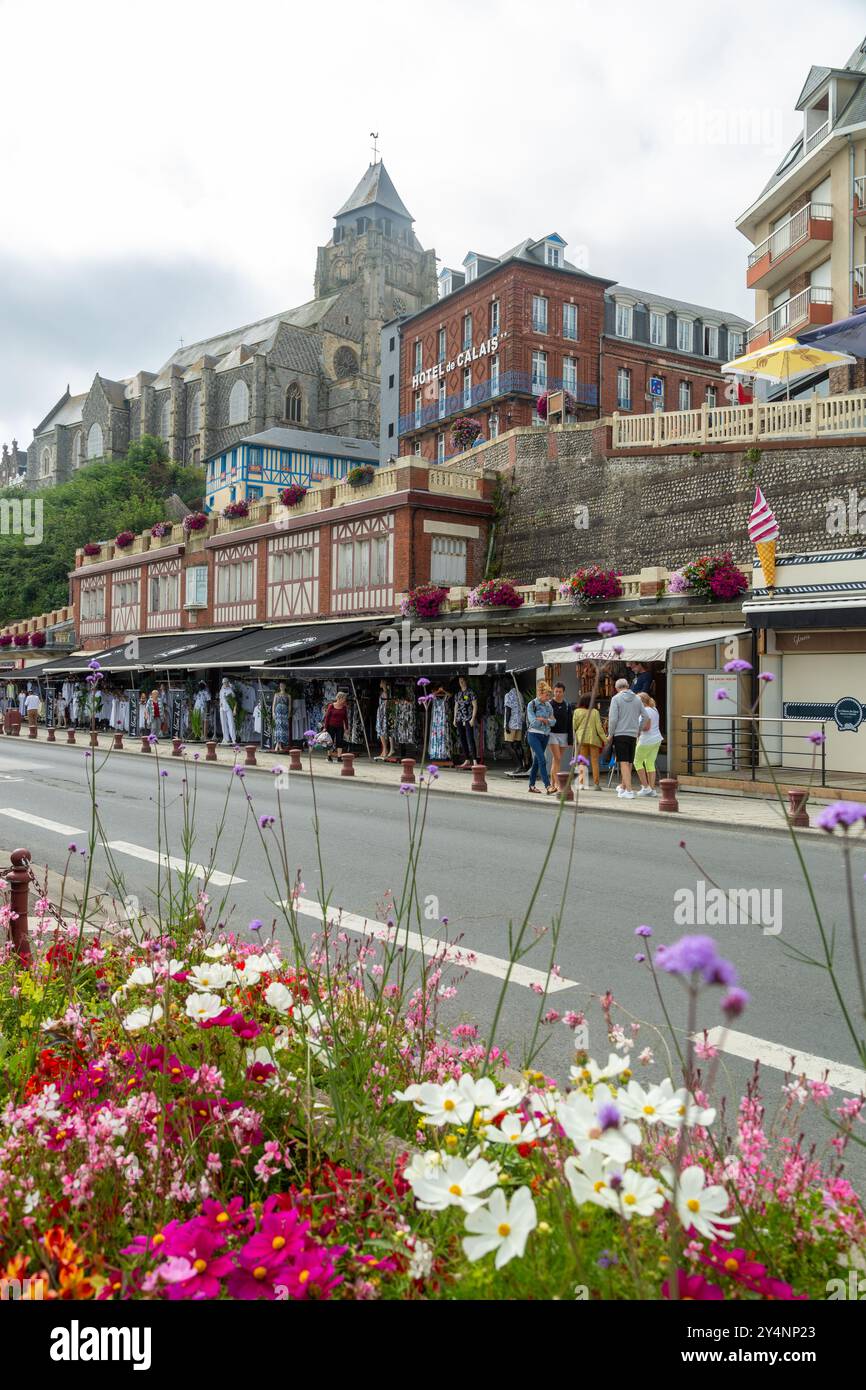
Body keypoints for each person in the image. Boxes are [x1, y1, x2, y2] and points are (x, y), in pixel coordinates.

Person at [607, 677, 644, 800]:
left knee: (623, 762)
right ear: (627, 686)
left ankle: (629, 790)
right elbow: (646, 716)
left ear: (617, 688)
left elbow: (613, 719)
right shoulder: (637, 699)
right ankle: (623, 787)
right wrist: (638, 729)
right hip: (633, 734)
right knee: (629, 762)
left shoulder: (616, 699)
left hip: (620, 733)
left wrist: (610, 733)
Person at [525, 681, 555, 794]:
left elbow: (553, 721)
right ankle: (548, 786)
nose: (548, 697)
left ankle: (531, 786)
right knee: (543, 760)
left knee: (537, 762)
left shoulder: (549, 705)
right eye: (546, 695)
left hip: (545, 736)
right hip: (533, 735)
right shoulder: (532, 704)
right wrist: (544, 721)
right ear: (540, 693)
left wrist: (544, 720)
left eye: (549, 695)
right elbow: (532, 722)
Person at [572, 694, 606, 790]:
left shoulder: (577, 711)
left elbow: (574, 726)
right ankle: (596, 784)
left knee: (582, 762)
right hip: (593, 739)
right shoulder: (595, 712)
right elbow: (599, 728)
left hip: (581, 739)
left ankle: (582, 784)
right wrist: (605, 739)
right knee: (595, 762)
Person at [634, 692, 663, 796]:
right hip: (657, 739)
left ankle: (645, 787)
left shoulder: (645, 711)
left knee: (637, 762)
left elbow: (646, 727)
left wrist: (636, 729)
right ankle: (651, 789)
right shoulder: (654, 709)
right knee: (650, 763)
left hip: (646, 740)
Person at [547, 681, 572, 783]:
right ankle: (557, 784)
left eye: (560, 692)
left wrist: (570, 739)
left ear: (563, 693)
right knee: (557, 758)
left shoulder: (567, 705)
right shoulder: (549, 704)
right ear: (553, 692)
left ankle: (553, 783)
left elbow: (570, 722)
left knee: (557, 759)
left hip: (564, 735)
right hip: (552, 734)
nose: (558, 693)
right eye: (556, 691)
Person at [453, 675, 478, 770]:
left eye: (463, 680)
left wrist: (473, 718)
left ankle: (475, 760)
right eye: (460, 681)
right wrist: (454, 719)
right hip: (459, 718)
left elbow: (475, 706)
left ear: (466, 681)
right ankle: (467, 758)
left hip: (468, 718)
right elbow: (456, 706)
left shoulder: (471, 692)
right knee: (462, 739)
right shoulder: (458, 694)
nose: (461, 682)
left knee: (470, 738)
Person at [323, 690, 349, 762]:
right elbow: (327, 717)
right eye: (344, 698)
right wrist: (325, 727)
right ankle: (329, 756)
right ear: (340, 698)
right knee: (330, 741)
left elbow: (345, 718)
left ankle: (339, 757)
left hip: (340, 727)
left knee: (339, 741)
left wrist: (346, 728)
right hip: (331, 726)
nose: (345, 700)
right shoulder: (331, 706)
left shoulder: (344, 707)